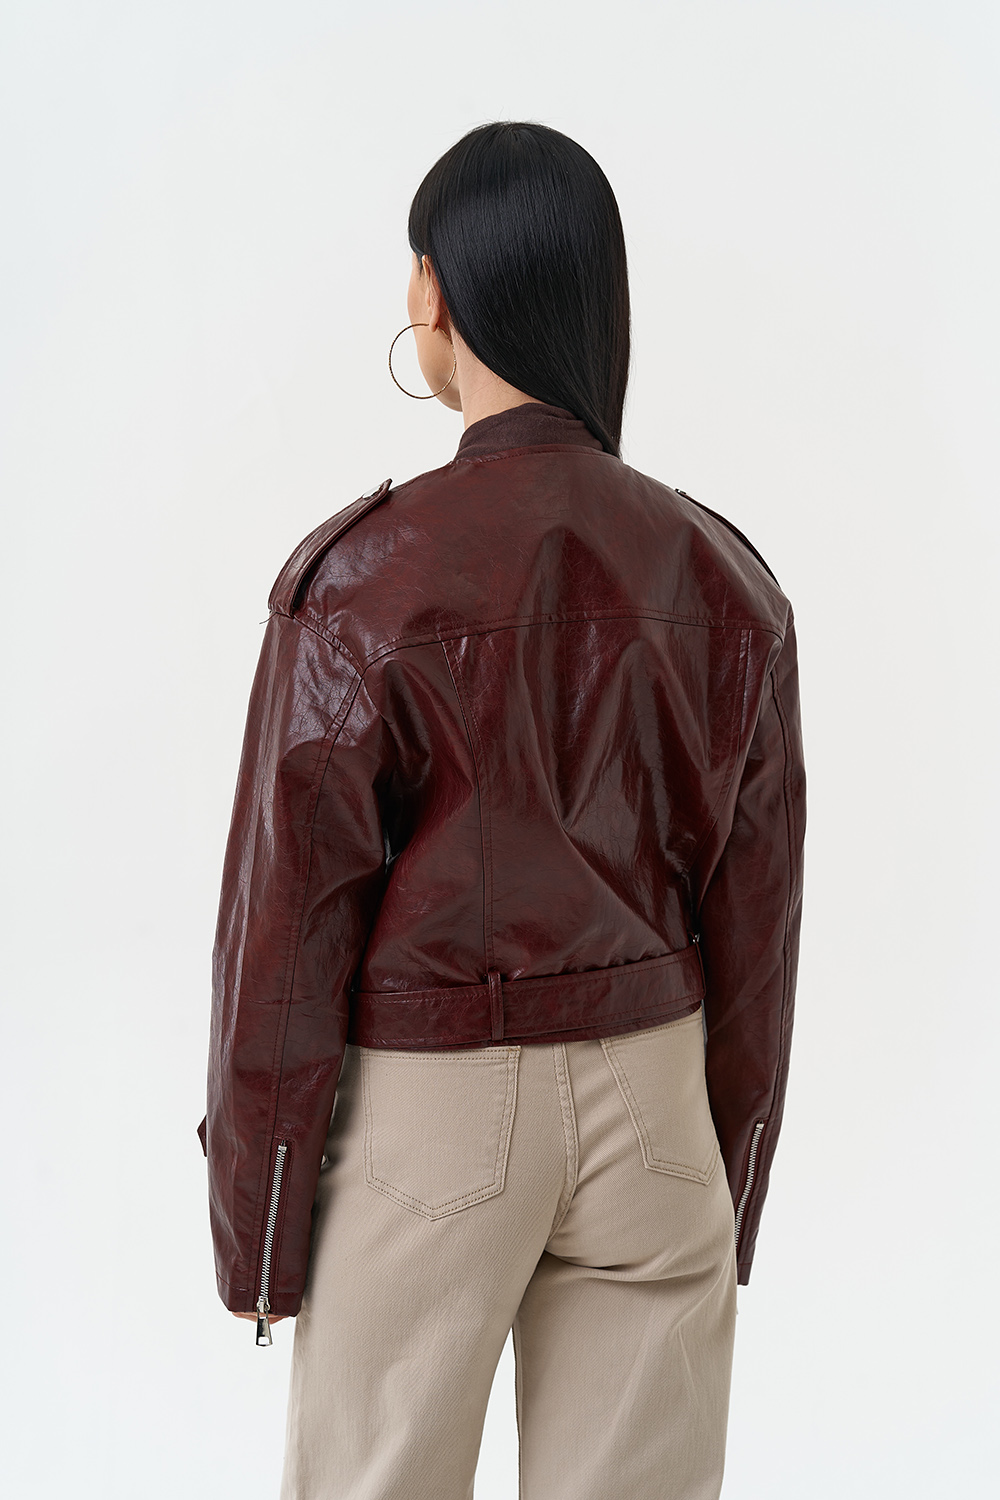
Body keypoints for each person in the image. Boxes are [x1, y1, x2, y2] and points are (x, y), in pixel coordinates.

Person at [197, 119, 806, 1500]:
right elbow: (759, 923)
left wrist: (259, 1225)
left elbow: (285, 929)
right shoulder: (726, 577)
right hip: (657, 1104)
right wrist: (726, 1180)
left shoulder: (361, 580)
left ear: (434, 293)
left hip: (430, 1120)